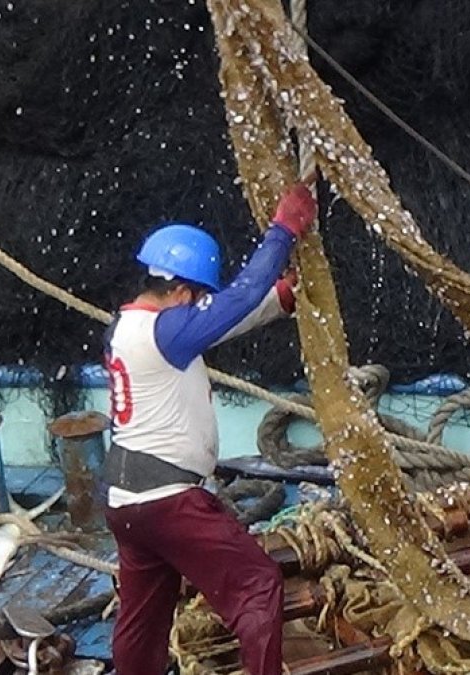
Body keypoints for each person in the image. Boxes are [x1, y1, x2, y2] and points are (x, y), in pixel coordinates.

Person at [101, 183, 317, 675]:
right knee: (259, 585)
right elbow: (236, 298)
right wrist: (283, 231)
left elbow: (220, 321)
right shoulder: (168, 331)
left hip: (124, 502)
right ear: (180, 291)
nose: (200, 304)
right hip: (170, 502)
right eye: (197, 297)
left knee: (143, 618)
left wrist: (280, 298)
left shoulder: (128, 328)